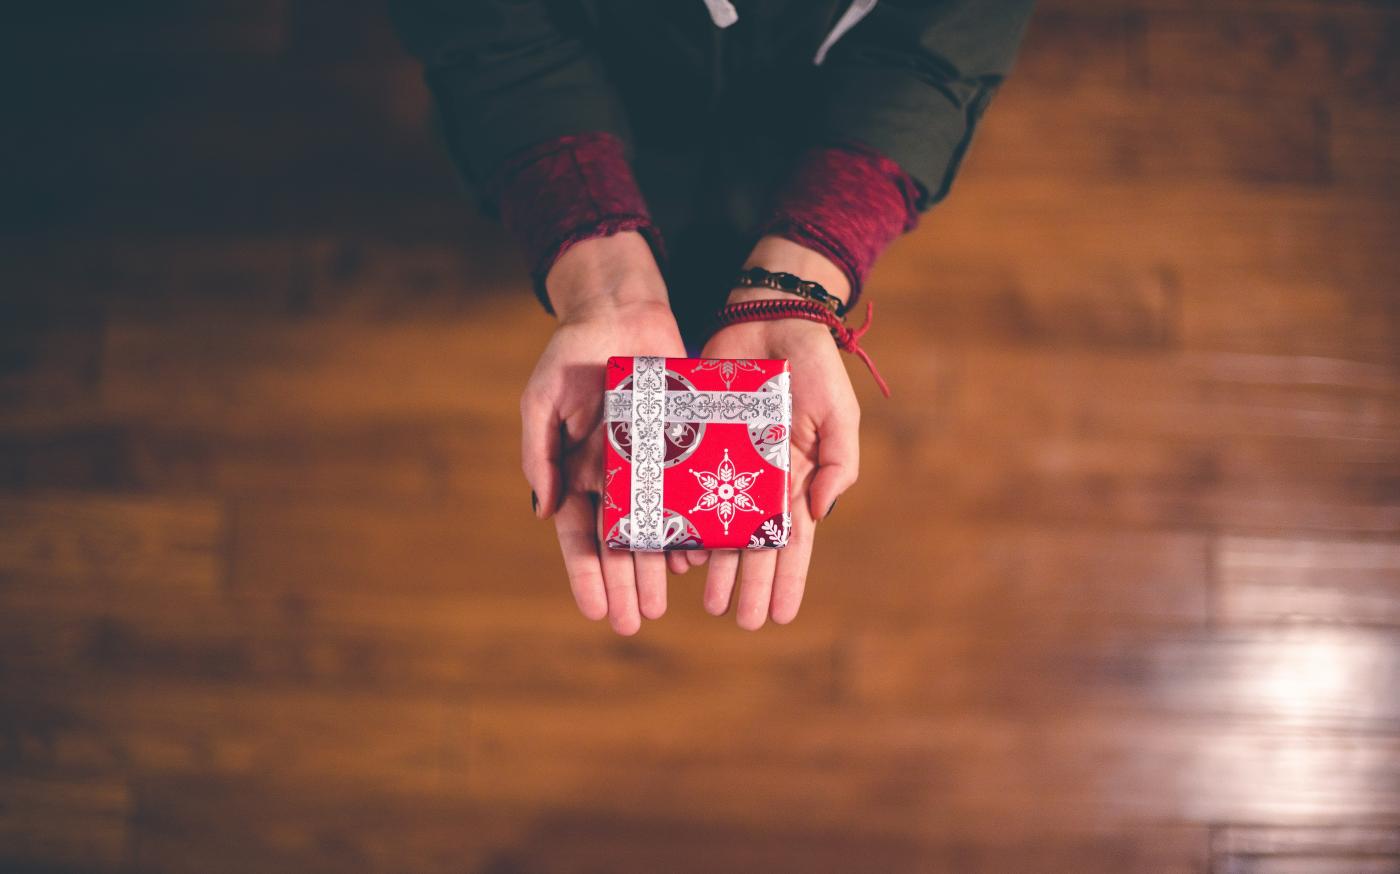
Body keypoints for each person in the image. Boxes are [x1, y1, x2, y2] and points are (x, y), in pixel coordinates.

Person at [391, 0, 1032, 634]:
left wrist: (813, 252)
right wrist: (597, 269)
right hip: (586, 106)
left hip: (812, 126)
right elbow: (486, 31)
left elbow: (947, 42)